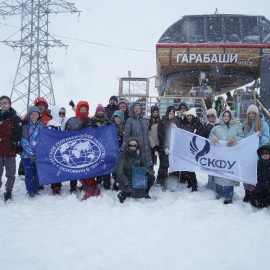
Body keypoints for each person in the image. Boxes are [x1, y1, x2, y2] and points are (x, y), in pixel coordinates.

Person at [209, 110, 244, 204]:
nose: (226, 117)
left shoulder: (237, 128)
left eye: (228, 116)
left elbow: (242, 137)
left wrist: (235, 139)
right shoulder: (216, 128)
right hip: (219, 156)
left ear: (231, 117)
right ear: (221, 116)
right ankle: (219, 194)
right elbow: (210, 137)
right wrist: (212, 138)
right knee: (219, 174)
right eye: (224, 116)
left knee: (229, 175)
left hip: (231, 157)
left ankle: (228, 196)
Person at [65, 101, 95, 196]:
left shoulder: (90, 121)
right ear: (78, 109)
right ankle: (73, 187)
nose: (83, 111)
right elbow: (65, 133)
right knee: (74, 168)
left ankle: (85, 185)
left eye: (84, 109)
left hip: (86, 148)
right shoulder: (71, 120)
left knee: (85, 168)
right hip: (74, 148)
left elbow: (96, 133)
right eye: (81, 109)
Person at [242, 104, 270, 202]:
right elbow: (241, 136)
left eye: (253, 113)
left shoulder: (263, 124)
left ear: (256, 114)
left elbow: (267, 137)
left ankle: (255, 192)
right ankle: (247, 192)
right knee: (247, 174)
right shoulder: (245, 124)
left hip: (259, 155)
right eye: (250, 114)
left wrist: (261, 137)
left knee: (257, 176)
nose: (251, 115)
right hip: (248, 154)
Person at [116, 138, 154, 203]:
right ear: (128, 146)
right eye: (131, 145)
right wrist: (127, 182)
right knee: (133, 193)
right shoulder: (122, 156)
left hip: (135, 178)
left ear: (137, 146)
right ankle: (123, 193)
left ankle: (145, 193)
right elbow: (119, 172)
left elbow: (144, 167)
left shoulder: (138, 156)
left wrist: (146, 173)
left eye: (134, 145)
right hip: (125, 179)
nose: (132, 147)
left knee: (151, 178)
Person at [0, 96, 22, 201]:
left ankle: (8, 192)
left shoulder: (15, 117)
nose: (4, 104)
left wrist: (13, 141)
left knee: (10, 175)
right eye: (2, 103)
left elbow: (19, 133)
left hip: (9, 151)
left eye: (6, 102)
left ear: (9, 104)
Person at [121, 103, 153, 170]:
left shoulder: (144, 120)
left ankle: (145, 179)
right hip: (135, 147)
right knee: (135, 167)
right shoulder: (130, 120)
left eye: (138, 108)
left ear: (141, 110)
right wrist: (124, 147)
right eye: (135, 108)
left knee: (145, 166)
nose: (137, 110)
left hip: (145, 147)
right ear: (133, 110)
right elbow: (126, 135)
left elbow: (147, 134)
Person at [21, 106, 44, 197]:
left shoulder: (42, 126)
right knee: (29, 173)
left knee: (38, 173)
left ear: (39, 115)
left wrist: (39, 152)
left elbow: (43, 140)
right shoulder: (25, 126)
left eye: (36, 114)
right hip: (26, 155)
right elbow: (24, 141)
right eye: (32, 114)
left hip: (38, 155)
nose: (33, 116)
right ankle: (30, 191)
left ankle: (35, 188)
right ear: (29, 115)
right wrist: (31, 153)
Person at [180, 107, 205, 191]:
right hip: (186, 148)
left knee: (190, 167)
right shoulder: (186, 124)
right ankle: (190, 182)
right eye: (188, 116)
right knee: (186, 167)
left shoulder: (198, 124)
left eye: (191, 116)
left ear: (193, 116)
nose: (189, 117)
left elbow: (201, 135)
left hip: (194, 149)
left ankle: (194, 184)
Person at [157, 106, 180, 188]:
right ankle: (161, 181)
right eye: (170, 113)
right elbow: (160, 135)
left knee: (173, 165)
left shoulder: (176, 121)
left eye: (172, 114)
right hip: (164, 147)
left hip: (174, 147)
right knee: (163, 165)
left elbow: (179, 134)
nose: (171, 115)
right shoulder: (162, 121)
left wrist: (176, 129)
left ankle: (173, 181)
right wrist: (165, 147)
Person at [47, 105, 67, 195]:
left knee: (60, 168)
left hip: (62, 149)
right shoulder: (51, 123)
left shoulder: (63, 122)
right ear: (55, 113)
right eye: (60, 113)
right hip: (54, 149)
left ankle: (59, 185)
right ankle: (54, 187)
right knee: (54, 168)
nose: (62, 115)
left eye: (63, 113)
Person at [92, 104, 112, 190]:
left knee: (106, 164)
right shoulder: (92, 120)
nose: (100, 112)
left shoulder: (107, 121)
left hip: (105, 145)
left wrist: (109, 125)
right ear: (96, 112)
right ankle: (98, 180)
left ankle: (107, 182)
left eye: (101, 111)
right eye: (98, 111)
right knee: (97, 164)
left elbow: (110, 133)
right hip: (95, 146)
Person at [204, 109, 219, 190]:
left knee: (217, 167)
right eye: (208, 116)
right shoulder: (206, 124)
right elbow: (203, 135)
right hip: (209, 150)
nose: (210, 117)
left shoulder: (219, 124)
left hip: (218, 150)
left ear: (215, 116)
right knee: (210, 166)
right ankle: (210, 183)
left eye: (212, 115)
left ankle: (216, 184)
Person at [111, 110, 125, 191]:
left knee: (120, 167)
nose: (117, 119)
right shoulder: (110, 127)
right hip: (113, 150)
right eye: (116, 118)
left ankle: (119, 182)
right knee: (114, 167)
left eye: (119, 118)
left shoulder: (124, 127)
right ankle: (114, 181)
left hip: (121, 150)